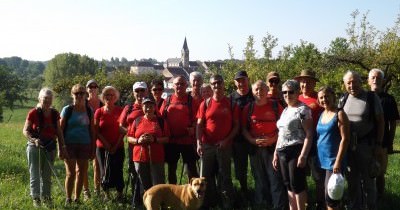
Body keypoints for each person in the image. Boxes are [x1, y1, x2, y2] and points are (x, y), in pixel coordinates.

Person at [340, 70, 384, 210]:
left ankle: (371, 207)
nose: (352, 85)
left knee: (368, 182)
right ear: (345, 85)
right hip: (349, 147)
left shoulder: (371, 97)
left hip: (366, 146)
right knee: (352, 181)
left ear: (361, 82)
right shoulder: (344, 98)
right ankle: (355, 207)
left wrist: (378, 144)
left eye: (355, 82)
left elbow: (381, 121)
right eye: (349, 82)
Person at [242, 80, 288, 210]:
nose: (259, 92)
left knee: (274, 177)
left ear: (267, 90)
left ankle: (278, 205)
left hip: (272, 147)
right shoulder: (248, 108)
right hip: (255, 147)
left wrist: (273, 139)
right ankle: (261, 203)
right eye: (256, 89)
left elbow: (284, 127)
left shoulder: (275, 106)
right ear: (252, 91)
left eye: (262, 89)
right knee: (258, 176)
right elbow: (243, 128)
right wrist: (251, 140)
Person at [196, 74, 238, 209]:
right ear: (211, 85)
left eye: (219, 82)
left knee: (225, 175)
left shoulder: (231, 103)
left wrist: (227, 140)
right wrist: (198, 142)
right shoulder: (205, 103)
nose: (216, 85)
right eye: (214, 83)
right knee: (205, 177)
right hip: (207, 145)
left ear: (223, 84)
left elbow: (237, 126)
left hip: (224, 146)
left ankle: (226, 203)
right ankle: (206, 203)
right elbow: (199, 124)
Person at [23, 88, 68, 208]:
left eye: (49, 99)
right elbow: (25, 130)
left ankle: (47, 198)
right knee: (35, 174)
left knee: (47, 175)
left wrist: (62, 146)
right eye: (45, 98)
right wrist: (33, 139)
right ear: (39, 99)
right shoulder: (33, 112)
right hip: (35, 147)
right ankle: (36, 199)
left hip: (50, 147)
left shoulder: (55, 114)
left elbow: (59, 131)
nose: (47, 101)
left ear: (52, 100)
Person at [272, 79, 313, 210]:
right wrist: (275, 153)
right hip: (282, 151)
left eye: (291, 92)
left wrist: (303, 155)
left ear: (297, 92)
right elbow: (281, 133)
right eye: (284, 92)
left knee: (297, 184)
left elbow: (309, 134)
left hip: (296, 150)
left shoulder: (303, 109)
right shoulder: (285, 110)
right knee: (288, 184)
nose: (287, 95)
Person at [294, 68, 325, 209]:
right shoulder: (296, 98)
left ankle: (320, 202)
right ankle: (305, 202)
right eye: (302, 82)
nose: (305, 85)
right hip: (300, 144)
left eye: (308, 82)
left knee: (318, 176)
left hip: (317, 144)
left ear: (314, 83)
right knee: (301, 175)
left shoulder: (319, 98)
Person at [160, 76, 200, 184]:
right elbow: (161, 119)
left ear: (186, 86)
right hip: (171, 141)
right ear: (173, 85)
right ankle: (173, 194)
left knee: (191, 169)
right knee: (171, 169)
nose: (179, 86)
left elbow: (198, 119)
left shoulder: (191, 101)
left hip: (187, 140)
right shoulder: (168, 100)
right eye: (177, 84)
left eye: (182, 84)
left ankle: (193, 193)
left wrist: (193, 127)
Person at [60, 84, 95, 205]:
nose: (79, 96)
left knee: (81, 172)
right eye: (76, 93)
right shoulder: (67, 110)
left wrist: (93, 149)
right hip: (69, 145)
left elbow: (92, 131)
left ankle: (77, 198)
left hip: (85, 145)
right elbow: (60, 130)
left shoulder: (90, 110)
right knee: (71, 173)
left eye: (82, 93)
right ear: (72, 95)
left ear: (86, 95)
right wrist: (61, 147)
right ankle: (68, 199)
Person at [316, 87, 350, 210]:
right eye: (321, 97)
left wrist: (338, 161)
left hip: (333, 161)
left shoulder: (339, 114)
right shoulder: (322, 114)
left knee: (331, 197)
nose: (324, 99)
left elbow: (345, 139)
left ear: (333, 96)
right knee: (327, 194)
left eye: (326, 96)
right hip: (321, 160)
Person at [367, 68, 399, 201]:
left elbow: (392, 125)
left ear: (383, 81)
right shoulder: (363, 97)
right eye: (373, 78)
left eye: (378, 78)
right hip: (365, 142)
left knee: (380, 173)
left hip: (383, 143)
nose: (375, 80)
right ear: (368, 81)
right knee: (365, 173)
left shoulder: (389, 99)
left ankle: (381, 198)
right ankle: (366, 198)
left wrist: (390, 143)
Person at [127, 97, 169, 191]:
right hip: (140, 157)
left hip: (156, 157)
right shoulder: (137, 121)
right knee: (143, 184)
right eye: (146, 106)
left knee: (158, 184)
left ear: (154, 108)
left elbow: (167, 138)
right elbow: (129, 137)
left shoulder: (161, 121)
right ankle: (145, 204)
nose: (148, 109)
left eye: (151, 106)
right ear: (142, 107)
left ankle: (159, 204)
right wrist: (138, 140)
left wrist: (154, 139)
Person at [118, 81, 148, 208]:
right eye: (137, 91)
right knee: (134, 172)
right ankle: (136, 201)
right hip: (134, 146)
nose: (140, 93)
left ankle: (148, 198)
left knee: (148, 173)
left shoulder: (151, 106)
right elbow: (120, 126)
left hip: (151, 146)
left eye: (142, 91)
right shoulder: (129, 108)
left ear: (146, 92)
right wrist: (133, 135)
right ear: (133, 93)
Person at [94, 86, 124, 202]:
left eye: (111, 95)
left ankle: (119, 194)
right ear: (103, 97)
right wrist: (106, 144)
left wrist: (115, 145)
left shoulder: (120, 111)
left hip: (118, 146)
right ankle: (106, 194)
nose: (109, 97)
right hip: (102, 147)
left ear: (115, 97)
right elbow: (96, 130)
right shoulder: (99, 111)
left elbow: (123, 130)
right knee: (104, 170)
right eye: (107, 95)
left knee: (118, 169)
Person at [229, 70, 254, 202]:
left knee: (257, 168)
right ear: (235, 83)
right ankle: (244, 191)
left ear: (248, 80)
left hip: (255, 138)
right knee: (240, 169)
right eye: (238, 81)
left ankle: (260, 191)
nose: (241, 83)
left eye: (243, 80)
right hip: (238, 140)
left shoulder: (254, 94)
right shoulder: (231, 98)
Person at [84, 79, 103, 199]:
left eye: (95, 86)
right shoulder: (83, 103)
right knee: (83, 166)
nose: (92, 88)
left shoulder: (102, 103)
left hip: (98, 138)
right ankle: (86, 191)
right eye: (90, 87)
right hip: (84, 137)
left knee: (97, 165)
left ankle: (97, 190)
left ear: (98, 89)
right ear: (87, 89)